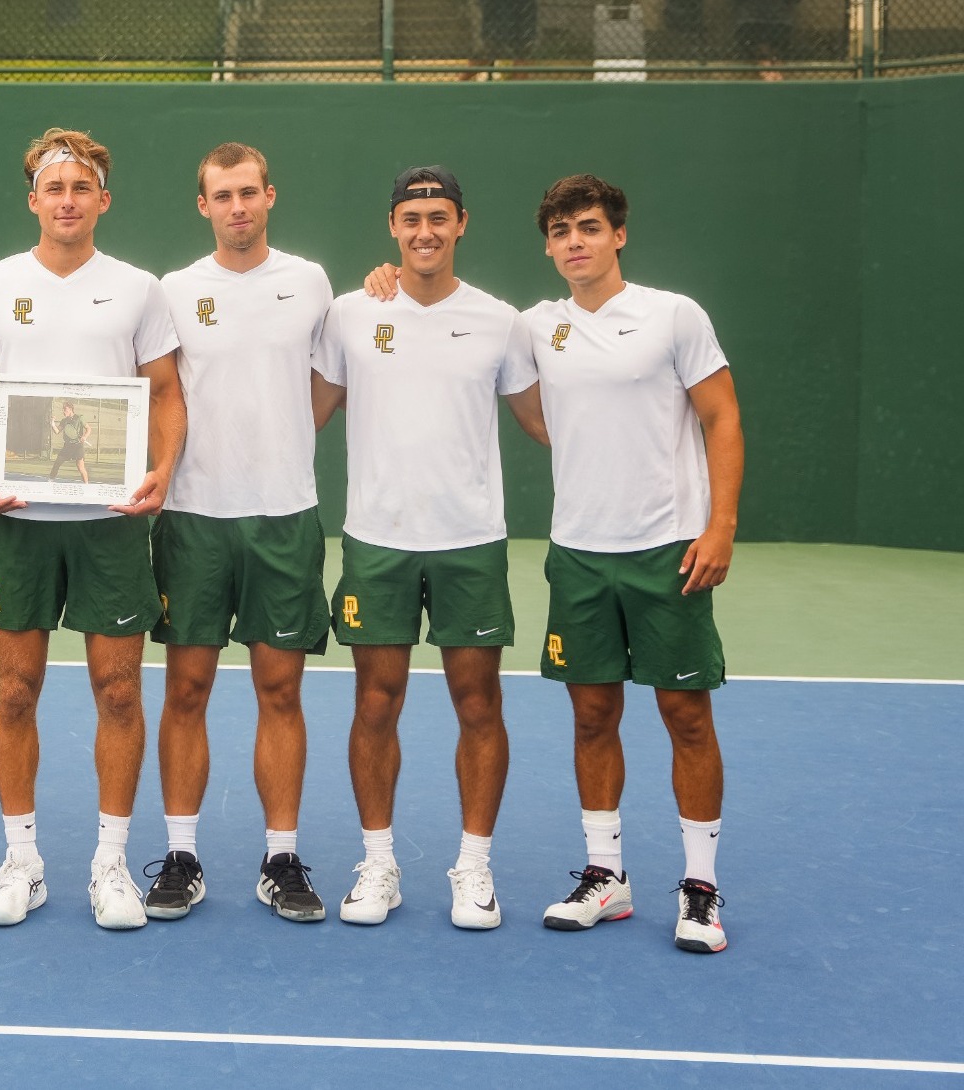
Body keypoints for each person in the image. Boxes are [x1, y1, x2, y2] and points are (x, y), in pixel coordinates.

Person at [0, 127, 186, 930]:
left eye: (80, 189)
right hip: (17, 523)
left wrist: (164, 469)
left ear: (102, 201)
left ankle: (111, 865)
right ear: (33, 200)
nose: (67, 201)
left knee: (118, 690)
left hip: (111, 523)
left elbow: (166, 393)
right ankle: (22, 860)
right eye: (54, 189)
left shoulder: (139, 289)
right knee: (14, 689)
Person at [524, 174, 742, 953]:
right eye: (559, 232)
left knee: (685, 716)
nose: (573, 242)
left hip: (668, 551)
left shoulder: (673, 315)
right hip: (579, 555)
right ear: (548, 246)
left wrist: (719, 525)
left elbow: (721, 416)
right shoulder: (534, 327)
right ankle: (605, 877)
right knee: (592, 715)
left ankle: (701, 889)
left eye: (587, 227)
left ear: (618, 235)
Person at [331, 166, 547, 930]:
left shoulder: (502, 320)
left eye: (439, 217)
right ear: (393, 226)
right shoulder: (352, 313)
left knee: (478, 704)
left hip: (471, 543)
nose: (425, 230)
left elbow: (544, 422)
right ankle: (379, 864)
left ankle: (474, 869)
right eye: (411, 217)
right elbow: (303, 410)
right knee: (375, 703)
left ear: (462, 224)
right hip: (377, 542)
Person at [144, 142, 335, 923]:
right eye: (222, 196)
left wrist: (283, 440)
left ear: (270, 196)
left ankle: (281, 857)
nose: (238, 208)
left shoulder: (311, 282)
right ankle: (182, 855)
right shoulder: (173, 291)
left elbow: (328, 380)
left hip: (284, 517)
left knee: (279, 689)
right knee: (185, 689)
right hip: (193, 520)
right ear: (203, 205)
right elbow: (157, 394)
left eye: (249, 193)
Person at [47, 401, 92, 483]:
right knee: (57, 463)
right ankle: (50, 481)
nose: (63, 411)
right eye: (63, 409)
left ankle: (86, 485)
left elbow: (88, 429)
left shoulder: (79, 418)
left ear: (70, 409)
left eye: (65, 409)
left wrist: (84, 436)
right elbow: (57, 431)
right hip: (67, 447)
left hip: (78, 446)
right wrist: (52, 424)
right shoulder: (64, 421)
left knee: (80, 468)